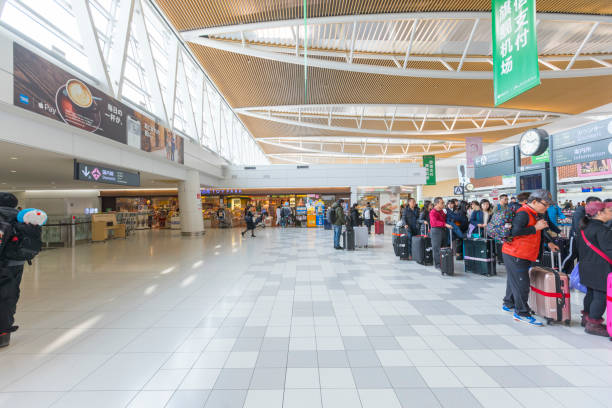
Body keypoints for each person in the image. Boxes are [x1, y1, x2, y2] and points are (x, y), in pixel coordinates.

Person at [501, 190, 560, 326]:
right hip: (516, 253)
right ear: (534, 202)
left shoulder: (534, 213)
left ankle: (509, 303)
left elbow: (539, 230)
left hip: (521, 252)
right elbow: (514, 232)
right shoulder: (523, 213)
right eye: (545, 205)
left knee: (514, 280)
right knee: (522, 284)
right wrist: (535, 228)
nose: (547, 208)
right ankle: (521, 312)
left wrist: (548, 241)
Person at [577, 201, 612, 337]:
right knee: (601, 296)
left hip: (586, 266)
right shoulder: (602, 230)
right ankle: (594, 324)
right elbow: (609, 250)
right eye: (609, 210)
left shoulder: (584, 227)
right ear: (599, 213)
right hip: (600, 267)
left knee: (591, 293)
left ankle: (586, 319)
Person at [0, 193, 26, 347]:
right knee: (10, 294)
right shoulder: (21, 217)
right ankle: (4, 333)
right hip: (17, 262)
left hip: (2, 261)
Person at [562, 196, 602, 274]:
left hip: (586, 239)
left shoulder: (594, 212)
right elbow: (578, 227)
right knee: (571, 255)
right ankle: (562, 270)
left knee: (583, 256)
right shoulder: (580, 210)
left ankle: (579, 274)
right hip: (576, 238)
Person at [429, 197, 452, 270]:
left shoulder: (442, 211)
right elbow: (434, 222)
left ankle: (443, 262)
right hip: (436, 231)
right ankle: (438, 264)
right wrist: (445, 224)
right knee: (436, 248)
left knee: (443, 247)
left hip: (443, 230)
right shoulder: (433, 212)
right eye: (442, 203)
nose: (443, 204)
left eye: (443, 203)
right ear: (436, 204)